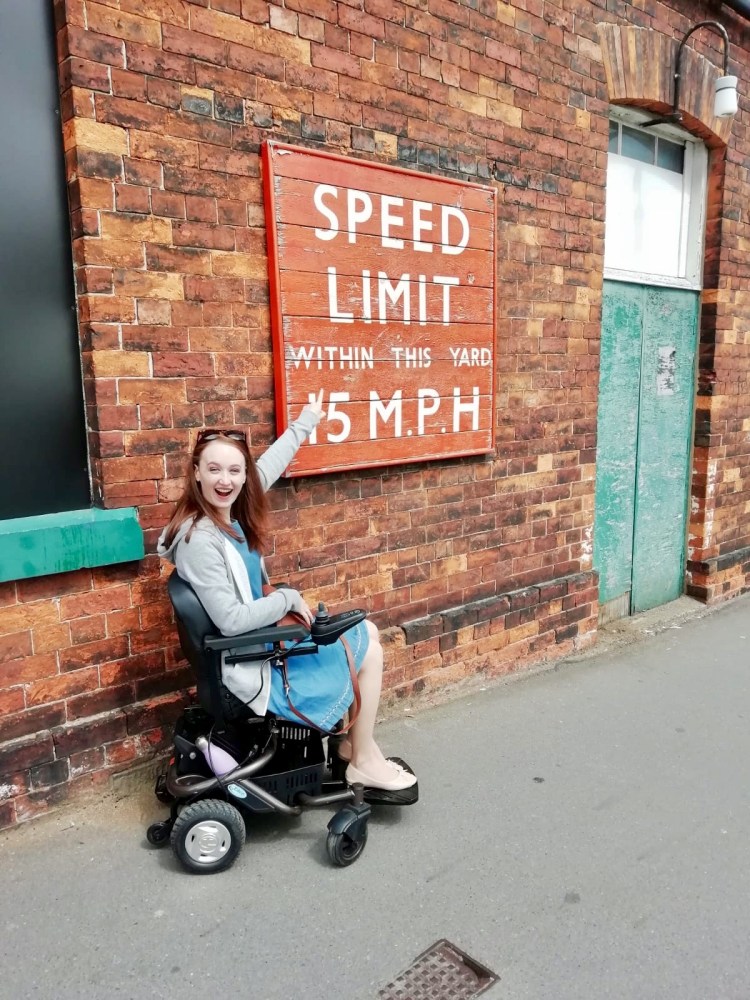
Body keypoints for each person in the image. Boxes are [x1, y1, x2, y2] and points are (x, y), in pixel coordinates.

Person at [157, 393, 416, 793]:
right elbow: (230, 621)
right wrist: (288, 599)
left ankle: (353, 745)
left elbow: (269, 467)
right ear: (196, 473)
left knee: (370, 633)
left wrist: (307, 420)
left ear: (244, 477)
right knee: (372, 648)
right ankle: (362, 760)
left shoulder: (224, 515)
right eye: (214, 470)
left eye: (234, 471)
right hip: (248, 664)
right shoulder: (199, 540)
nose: (225, 480)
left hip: (256, 648)